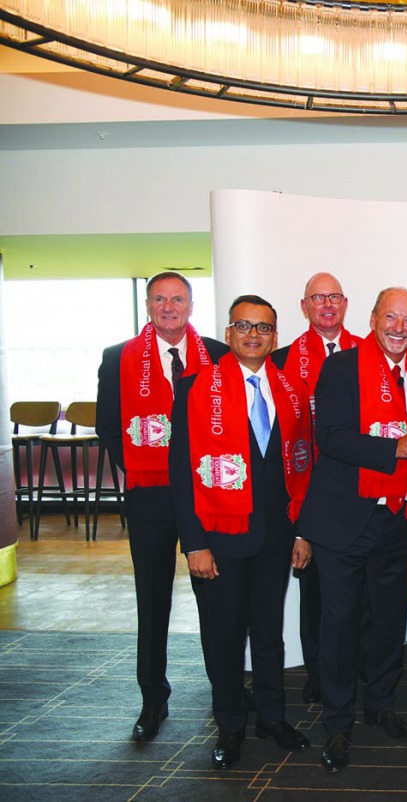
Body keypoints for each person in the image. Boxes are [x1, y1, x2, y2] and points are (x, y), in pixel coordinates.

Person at [297, 287, 407, 774]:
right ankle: (338, 724)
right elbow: (331, 438)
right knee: (338, 628)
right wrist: (392, 450)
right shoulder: (342, 368)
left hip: (399, 519)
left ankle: (380, 703)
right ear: (374, 318)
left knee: (387, 623)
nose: (400, 328)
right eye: (391, 317)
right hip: (344, 519)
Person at [169, 295, 314, 769]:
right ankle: (229, 725)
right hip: (220, 538)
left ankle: (272, 717)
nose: (255, 335)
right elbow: (181, 472)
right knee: (225, 636)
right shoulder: (194, 387)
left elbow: (302, 469)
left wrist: (302, 531)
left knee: (269, 635)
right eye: (244, 326)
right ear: (228, 333)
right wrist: (194, 543)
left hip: (275, 537)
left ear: (276, 336)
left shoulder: (291, 390)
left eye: (265, 328)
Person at [97, 271, 228, 742]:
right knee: (152, 601)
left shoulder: (217, 353)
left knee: (215, 600)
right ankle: (153, 699)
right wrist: (147, 469)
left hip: (206, 493)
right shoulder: (119, 359)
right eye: (160, 299)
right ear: (149, 305)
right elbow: (109, 427)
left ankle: (226, 693)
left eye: (177, 299)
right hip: (150, 497)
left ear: (190, 305)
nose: (169, 307)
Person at [272, 272, 361, 705]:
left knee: (357, 595)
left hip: (359, 491)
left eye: (334, 297)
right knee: (316, 593)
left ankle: (352, 670)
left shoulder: (370, 352)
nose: (327, 305)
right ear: (303, 307)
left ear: (345, 304)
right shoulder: (282, 359)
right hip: (308, 494)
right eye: (317, 298)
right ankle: (317, 671)